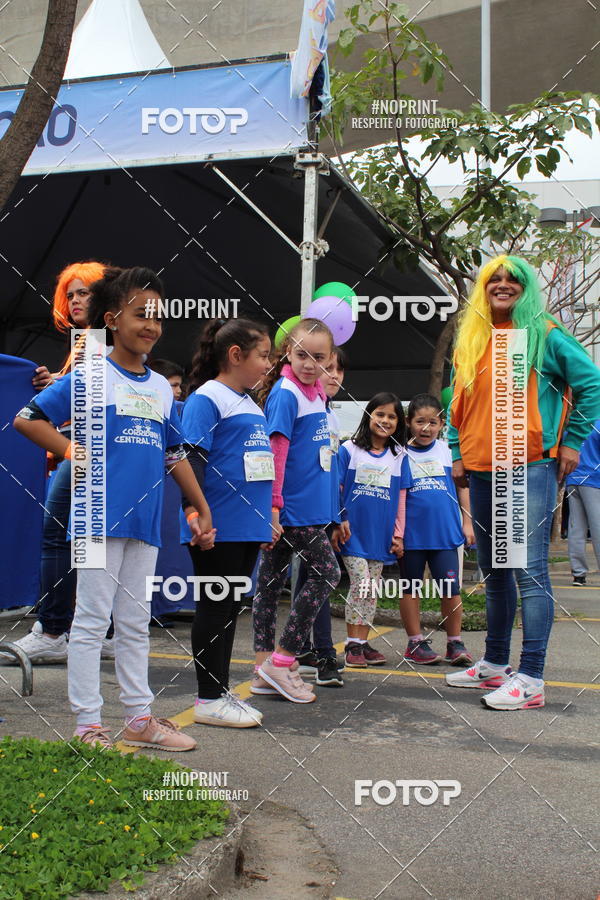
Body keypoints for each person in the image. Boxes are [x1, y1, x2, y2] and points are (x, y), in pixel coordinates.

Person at [13, 267, 214, 749]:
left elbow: (174, 452)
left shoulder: (162, 388)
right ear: (111, 319)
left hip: (145, 524)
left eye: (159, 318)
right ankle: (87, 726)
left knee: (133, 623)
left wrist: (200, 505)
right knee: (90, 621)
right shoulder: (91, 373)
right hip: (95, 518)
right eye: (141, 314)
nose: (152, 325)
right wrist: (70, 451)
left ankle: (139, 719)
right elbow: (28, 419)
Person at [446, 255, 600, 710]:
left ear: (526, 287)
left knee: (530, 571)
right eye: (495, 277)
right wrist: (456, 451)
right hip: (480, 465)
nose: (503, 283)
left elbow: (591, 383)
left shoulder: (544, 332)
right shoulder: (471, 336)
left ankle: (531, 677)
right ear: (483, 286)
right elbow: (455, 399)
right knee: (493, 572)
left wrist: (571, 442)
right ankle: (495, 664)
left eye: (514, 279)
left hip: (528, 464)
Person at [2, 262, 114, 666]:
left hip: (87, 451)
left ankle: (52, 630)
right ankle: (96, 630)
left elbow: (92, 404)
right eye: (71, 293)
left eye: (85, 292)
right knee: (89, 544)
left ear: (104, 297)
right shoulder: (92, 341)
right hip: (94, 450)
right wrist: (59, 386)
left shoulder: (94, 340)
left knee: (58, 536)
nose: (77, 300)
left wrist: (59, 392)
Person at [180, 318, 273, 727]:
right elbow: (190, 459)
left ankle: (220, 692)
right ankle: (207, 698)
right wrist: (195, 513)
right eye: (264, 356)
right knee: (215, 609)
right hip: (219, 524)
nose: (269, 364)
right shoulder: (208, 398)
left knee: (231, 609)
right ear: (236, 355)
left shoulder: (249, 401)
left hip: (246, 524)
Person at [252, 318, 341, 702]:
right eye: (301, 354)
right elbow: (275, 452)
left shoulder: (317, 391)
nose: (309, 363)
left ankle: (261, 671)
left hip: (308, 508)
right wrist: (272, 508)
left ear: (330, 360)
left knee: (269, 587)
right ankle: (283, 659)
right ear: (287, 352)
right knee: (327, 572)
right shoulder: (286, 393)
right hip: (291, 510)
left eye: (318, 357)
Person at [331, 392, 411, 668]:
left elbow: (401, 498)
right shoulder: (349, 449)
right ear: (368, 416)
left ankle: (362, 644)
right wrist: (338, 520)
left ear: (399, 422)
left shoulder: (400, 456)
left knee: (371, 589)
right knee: (361, 584)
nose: (385, 420)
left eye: (391, 416)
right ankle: (352, 644)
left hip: (381, 536)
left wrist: (398, 534)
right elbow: (337, 488)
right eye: (379, 414)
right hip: (351, 534)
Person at [401, 393, 475, 665]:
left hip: (445, 534)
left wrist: (467, 523)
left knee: (450, 589)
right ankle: (415, 642)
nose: (426, 428)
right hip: (411, 537)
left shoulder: (448, 451)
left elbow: (462, 488)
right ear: (409, 422)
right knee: (411, 588)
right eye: (420, 421)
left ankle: (455, 643)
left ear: (442, 424)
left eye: (433, 422)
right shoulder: (400, 453)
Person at [294, 346, 348, 687]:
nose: (333, 375)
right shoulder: (300, 404)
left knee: (309, 578)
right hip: (299, 509)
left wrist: (337, 513)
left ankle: (300, 649)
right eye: (327, 367)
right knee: (325, 574)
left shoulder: (331, 416)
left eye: (338, 370)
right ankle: (324, 653)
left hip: (324, 510)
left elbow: (330, 470)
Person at [565, 419, 600, 585]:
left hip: (573, 479)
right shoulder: (597, 425)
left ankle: (578, 574)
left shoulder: (572, 426)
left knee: (576, 528)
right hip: (594, 480)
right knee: (597, 528)